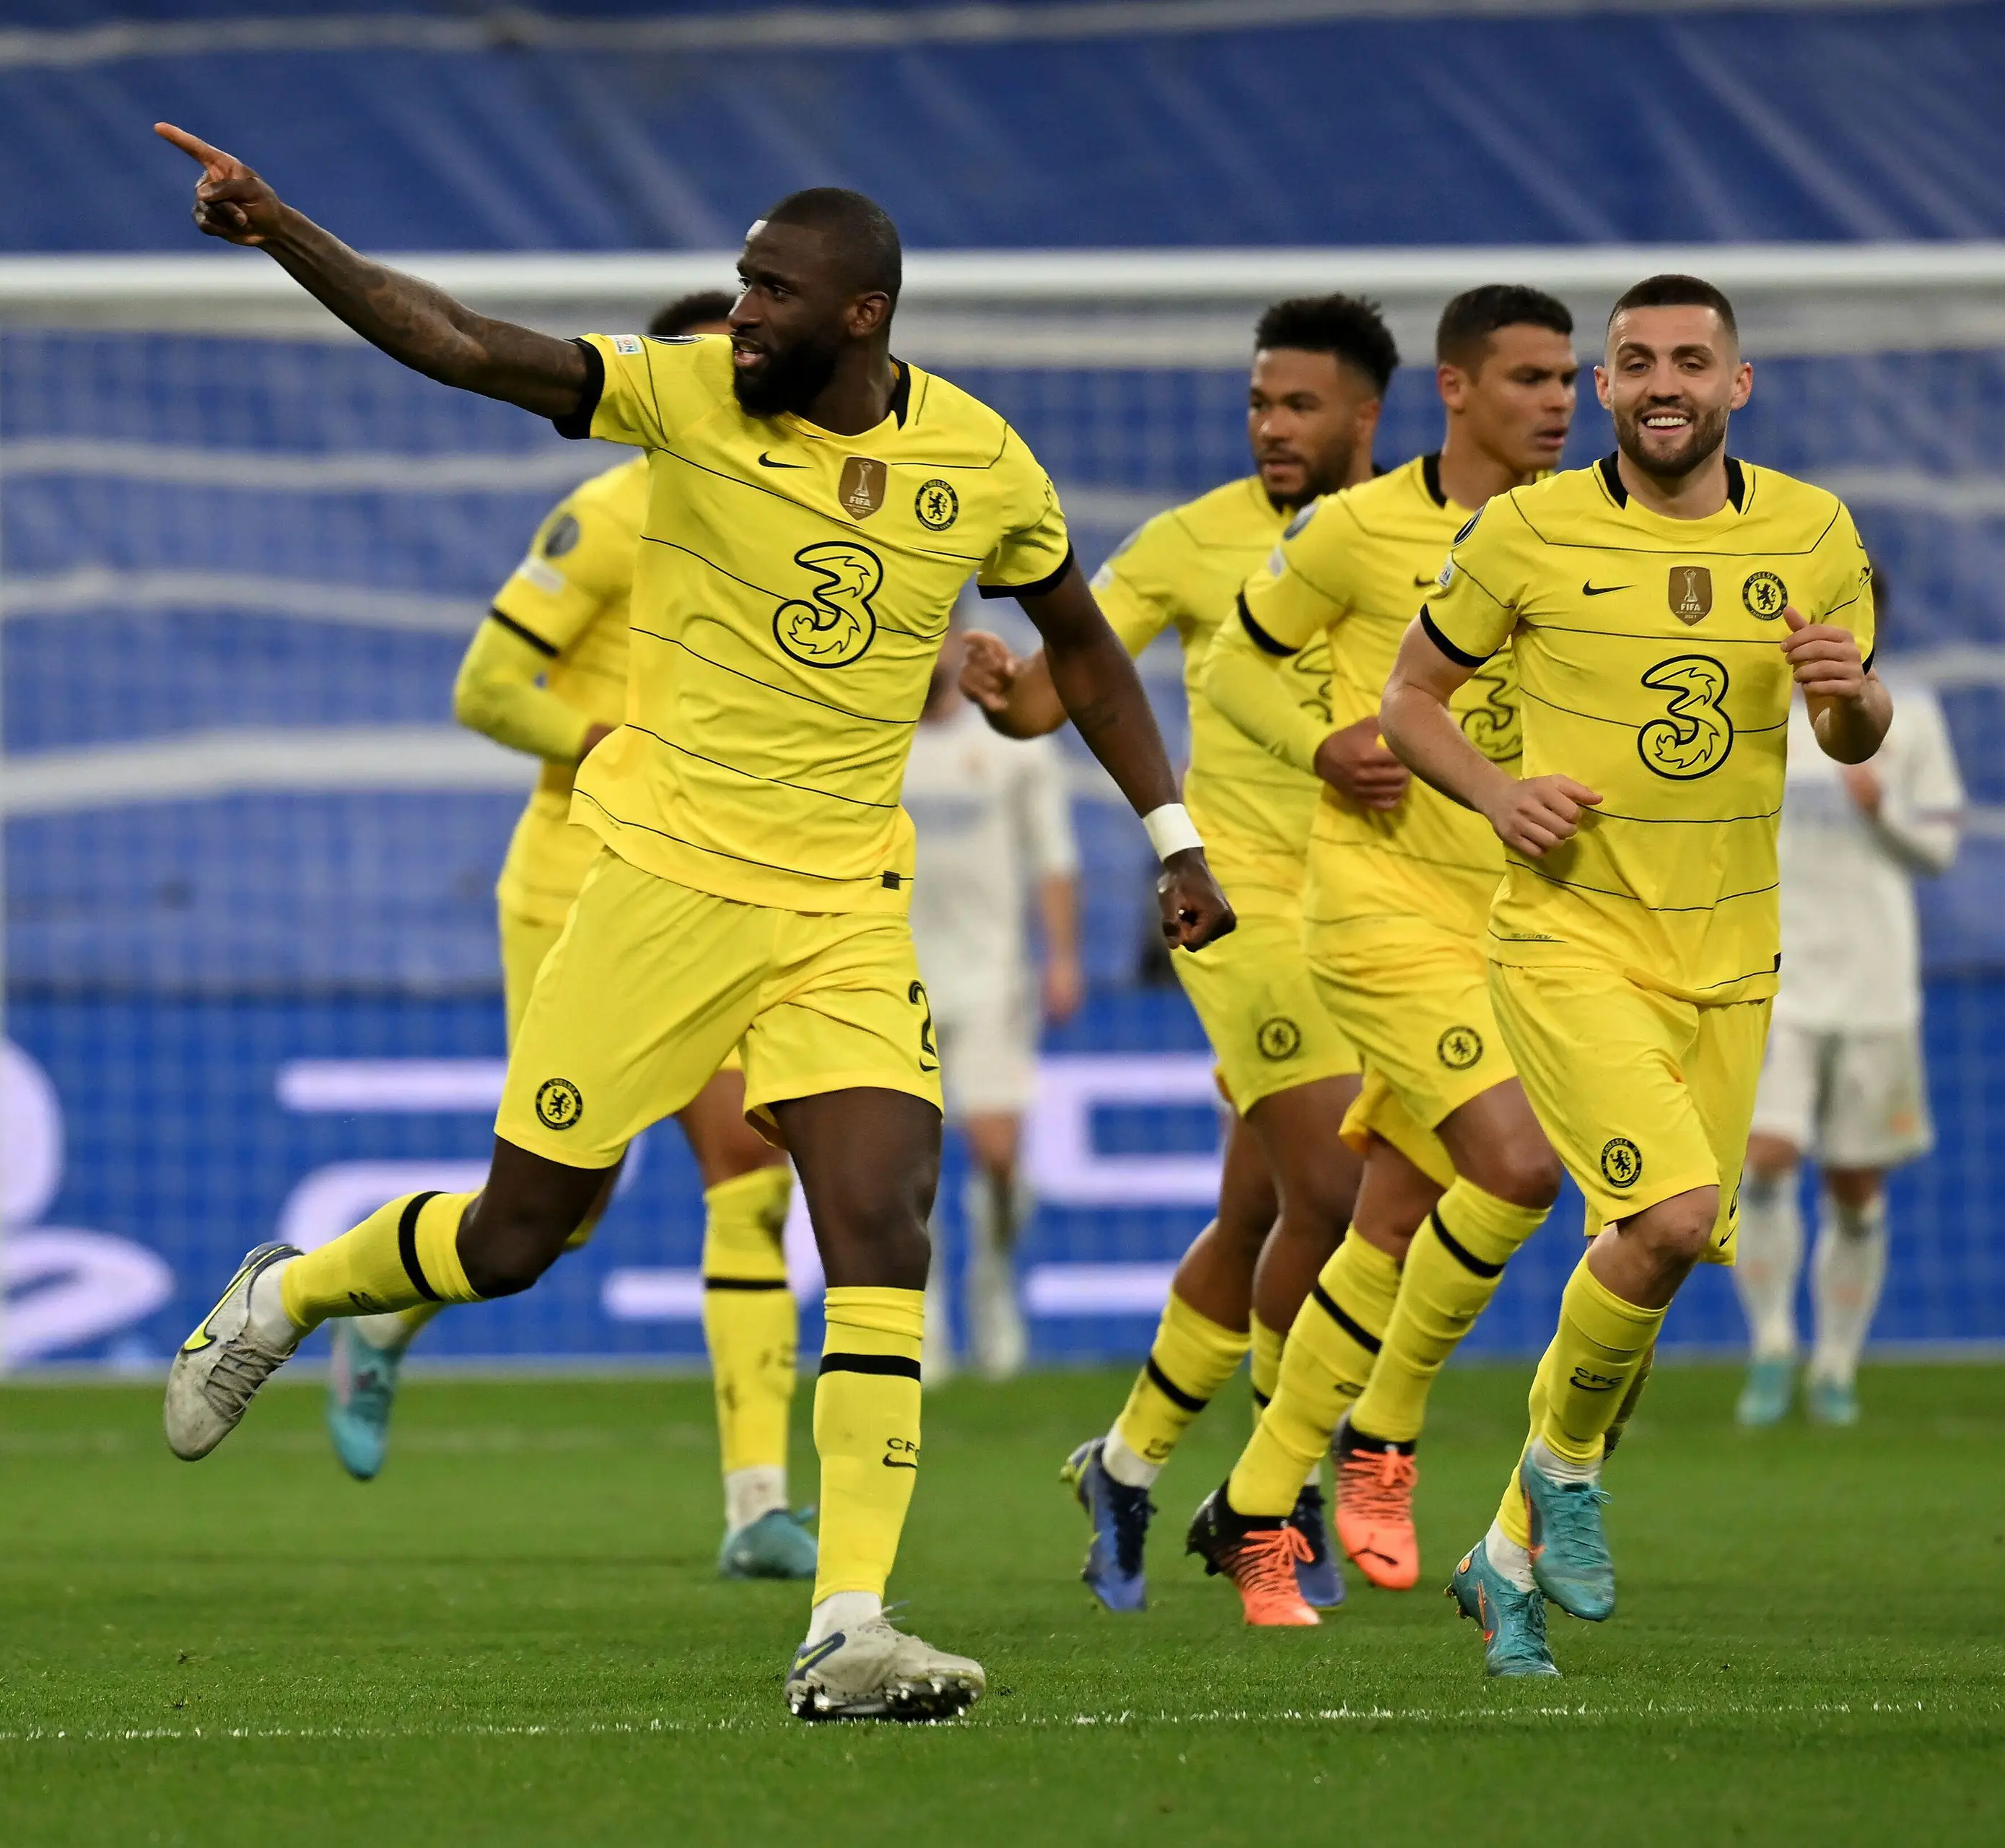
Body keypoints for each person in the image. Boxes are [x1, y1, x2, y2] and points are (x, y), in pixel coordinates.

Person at [149, 122, 1231, 1722]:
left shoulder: (984, 462)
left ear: (862, 313)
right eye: (739, 283)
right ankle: (290, 1295)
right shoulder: (687, 397)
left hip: (843, 909)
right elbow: (459, 344)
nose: (742, 311)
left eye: (772, 289)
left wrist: (1171, 834)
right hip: (660, 885)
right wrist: (283, 228)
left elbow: (1082, 642)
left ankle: (848, 1622)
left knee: (882, 1225)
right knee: (520, 1238)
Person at [1382, 274, 1883, 1678]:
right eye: (1638, 362)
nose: (1666, 383)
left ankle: (1504, 1556)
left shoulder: (1815, 530)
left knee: (1646, 1284)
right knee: (1660, 1223)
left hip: (1733, 961)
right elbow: (1409, 700)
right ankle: (1566, 1478)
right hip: (1571, 938)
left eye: (1692, 361)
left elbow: (1854, 733)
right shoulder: (1527, 530)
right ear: (1604, 387)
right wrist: (1496, 793)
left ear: (1738, 384)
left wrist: (1851, 694)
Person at [328, 287, 817, 1582]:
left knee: (751, 1170)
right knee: (556, 1217)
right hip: (575, 890)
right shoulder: (603, 518)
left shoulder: (782, 523)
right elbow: (485, 687)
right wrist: (602, 740)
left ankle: (757, 1505)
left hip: (711, 887)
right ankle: (377, 1319)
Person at [961, 295, 1397, 1614]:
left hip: (1390, 918)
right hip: (1241, 912)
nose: (1272, 425)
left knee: (1263, 1215)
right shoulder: (1191, 541)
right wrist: (1008, 692)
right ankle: (1283, 1493)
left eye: (1300, 404)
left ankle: (1127, 1465)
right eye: (1260, 402)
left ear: (1367, 416)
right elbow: (1059, 689)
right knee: (1335, 1198)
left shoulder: (1424, 540)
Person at [1181, 287, 1579, 1626]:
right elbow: (1232, 665)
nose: (1559, 402)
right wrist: (1320, 745)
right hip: (1377, 912)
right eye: (1530, 378)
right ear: (1454, 390)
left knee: (1392, 1221)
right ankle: (1385, 1438)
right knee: (1517, 1168)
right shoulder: (1355, 530)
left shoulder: (1579, 532)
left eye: (1567, 378)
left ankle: (1253, 1508)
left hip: (1510, 917)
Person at [1733, 591, 1960, 1427]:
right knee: (1765, 1159)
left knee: (1856, 1185)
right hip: (1779, 978)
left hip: (1874, 984)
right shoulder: (1754, 715)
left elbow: (1940, 847)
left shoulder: (1913, 719)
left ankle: (1835, 1365)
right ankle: (1770, 1345)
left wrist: (1881, 807)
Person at [902, 627, 1083, 1383]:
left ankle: (993, 1277)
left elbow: (1054, 858)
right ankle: (925, 1317)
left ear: (958, 642)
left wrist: (1063, 957)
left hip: (992, 977)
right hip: (893, 978)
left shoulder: (1012, 743)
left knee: (999, 1154)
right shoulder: (869, 742)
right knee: (908, 1169)